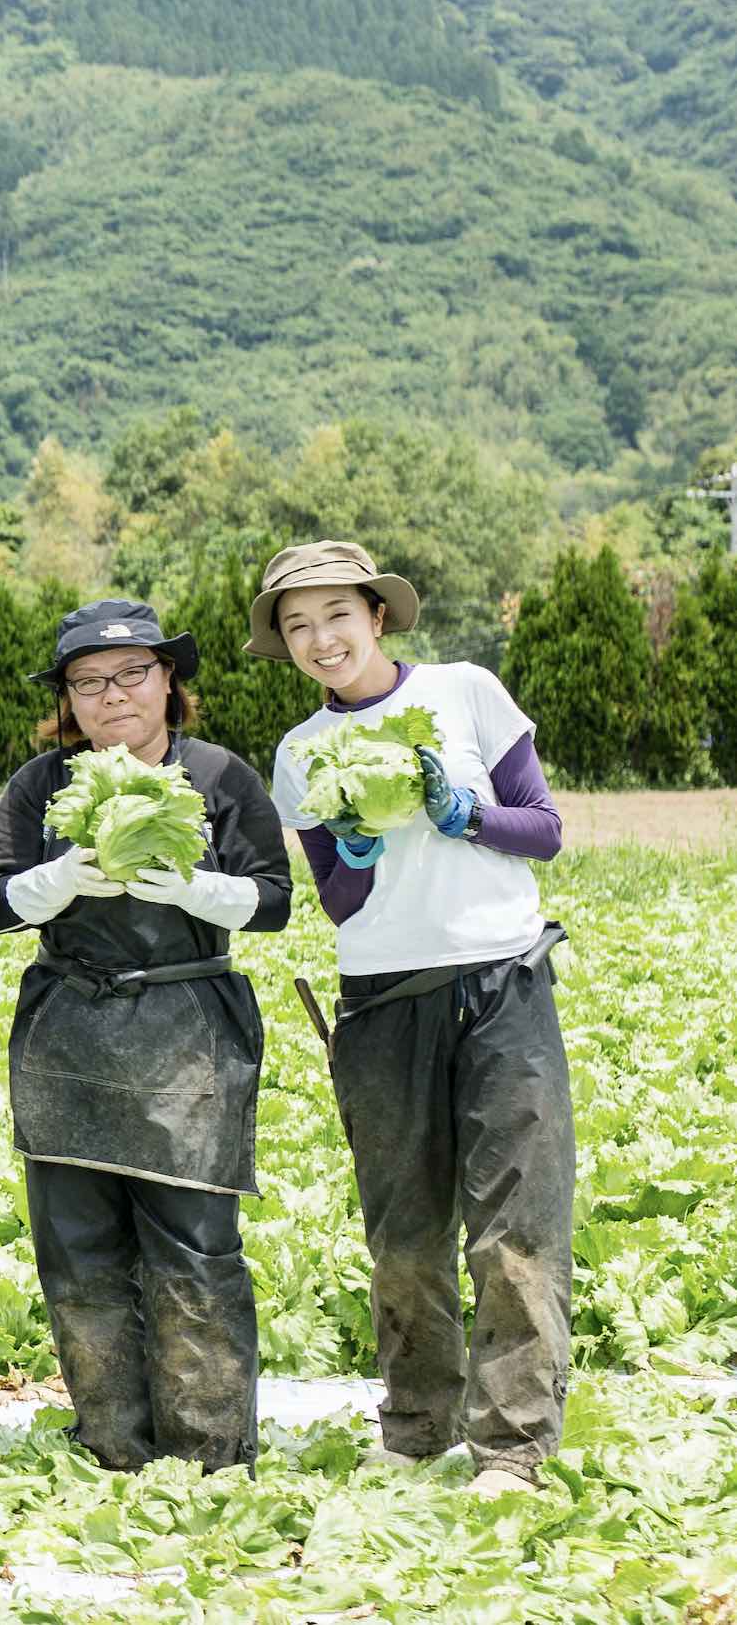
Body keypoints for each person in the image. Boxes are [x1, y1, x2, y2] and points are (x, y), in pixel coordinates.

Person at [256, 539, 573, 1499]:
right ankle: (416, 1424)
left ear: (378, 616)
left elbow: (546, 828)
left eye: (336, 617)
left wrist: (462, 813)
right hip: (382, 1002)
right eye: (298, 627)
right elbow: (343, 903)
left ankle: (513, 1445)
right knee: (404, 1232)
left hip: (503, 984)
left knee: (517, 1222)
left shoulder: (466, 692)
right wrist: (350, 847)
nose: (321, 640)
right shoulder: (300, 754)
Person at [0, 599, 289, 1473]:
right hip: (70, 1023)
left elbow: (274, 901)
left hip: (188, 1026)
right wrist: (57, 880)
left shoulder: (221, 776)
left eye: (131, 675)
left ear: (168, 681)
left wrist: (195, 888)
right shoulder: (43, 783)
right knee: (78, 1246)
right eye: (87, 683)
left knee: (195, 1246)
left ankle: (210, 1454)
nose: (111, 697)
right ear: (67, 701)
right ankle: (111, 1443)